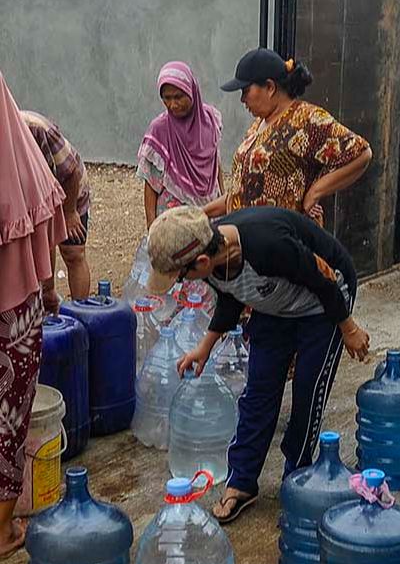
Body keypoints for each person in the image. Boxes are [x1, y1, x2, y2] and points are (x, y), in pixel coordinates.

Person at [145, 205, 371, 525]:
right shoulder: (214, 259)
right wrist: (205, 347)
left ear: (202, 262)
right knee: (257, 395)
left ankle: (298, 480)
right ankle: (242, 482)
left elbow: (323, 279)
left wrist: (348, 328)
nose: (181, 283)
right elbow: (231, 294)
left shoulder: (267, 245)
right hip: (275, 305)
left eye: (181, 276)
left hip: (325, 302)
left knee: (307, 394)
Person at [0, 74, 66, 558]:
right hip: (14, 316)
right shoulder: (19, 158)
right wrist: (46, 290)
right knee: (9, 415)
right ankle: (1, 530)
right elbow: (43, 234)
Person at [206, 48, 371, 225]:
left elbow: (361, 152)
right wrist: (200, 213)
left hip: (284, 240)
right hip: (248, 239)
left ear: (270, 87)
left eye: (245, 91)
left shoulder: (307, 120)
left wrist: (315, 191)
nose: (242, 100)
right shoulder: (258, 126)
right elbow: (240, 193)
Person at [138, 61, 224, 226]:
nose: (172, 105)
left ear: (192, 92)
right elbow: (151, 184)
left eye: (178, 97)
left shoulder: (211, 120)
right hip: (175, 220)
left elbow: (215, 163)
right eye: (167, 98)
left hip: (211, 211)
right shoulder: (159, 130)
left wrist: (223, 200)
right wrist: (152, 229)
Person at [20, 110, 93, 300]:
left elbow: (71, 172)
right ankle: (48, 297)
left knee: (73, 252)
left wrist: (70, 213)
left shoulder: (36, 129)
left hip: (70, 189)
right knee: (42, 246)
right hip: (36, 195)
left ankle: (81, 310)